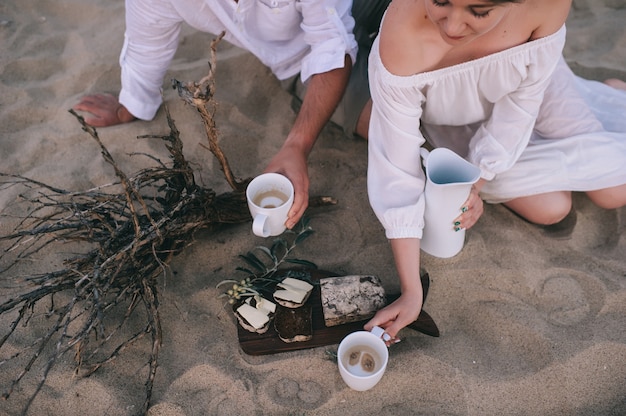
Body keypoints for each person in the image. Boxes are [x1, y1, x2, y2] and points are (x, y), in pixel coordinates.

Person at [363, 0, 626, 343]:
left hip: (529, 87)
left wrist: (482, 175)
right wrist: (412, 290)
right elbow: (395, 170)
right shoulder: (402, 33)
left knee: (612, 191)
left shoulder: (548, 5)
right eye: (440, 1)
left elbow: (521, 104)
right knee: (552, 208)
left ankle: (609, 96)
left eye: (479, 11)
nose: (453, 26)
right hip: (454, 116)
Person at [73, 0, 390, 229]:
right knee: (394, 122)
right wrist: (131, 104)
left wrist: (297, 143)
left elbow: (332, 41)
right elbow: (147, 39)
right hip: (301, 58)